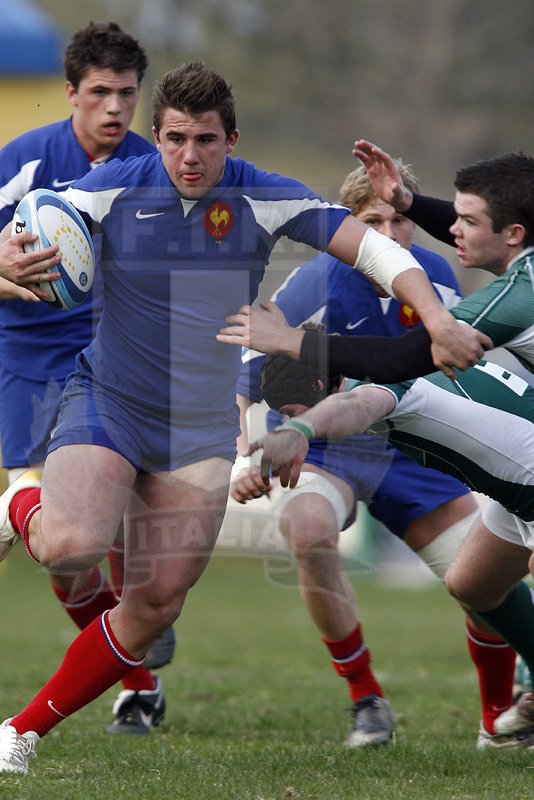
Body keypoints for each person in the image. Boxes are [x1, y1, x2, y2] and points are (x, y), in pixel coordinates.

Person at [0, 62, 488, 774]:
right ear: (155, 138)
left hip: (198, 426)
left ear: (229, 140)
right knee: (72, 548)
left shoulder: (263, 195)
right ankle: (24, 503)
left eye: (205, 140)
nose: (189, 156)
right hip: (110, 399)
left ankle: (17, 733)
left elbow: (377, 250)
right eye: (175, 139)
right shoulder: (113, 183)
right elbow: (37, 221)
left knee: (154, 607)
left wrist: (432, 316)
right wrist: (14, 257)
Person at [218, 146, 534, 744]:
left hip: (418, 435)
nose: (390, 236)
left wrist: (301, 348)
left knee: (482, 584)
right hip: (344, 441)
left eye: (399, 221)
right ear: (347, 228)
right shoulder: (313, 280)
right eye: (372, 224)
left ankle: (501, 715)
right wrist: (243, 455)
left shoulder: (449, 277)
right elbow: (243, 377)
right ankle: (365, 698)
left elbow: (410, 365)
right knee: (310, 530)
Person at [0, 21, 172, 734]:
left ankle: (133, 640)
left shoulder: (156, 168)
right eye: (100, 92)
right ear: (72, 92)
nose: (114, 108)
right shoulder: (27, 159)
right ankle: (136, 676)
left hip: (115, 356)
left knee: (104, 518)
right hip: (29, 355)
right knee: (62, 557)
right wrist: (12, 278)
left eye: (127, 94)